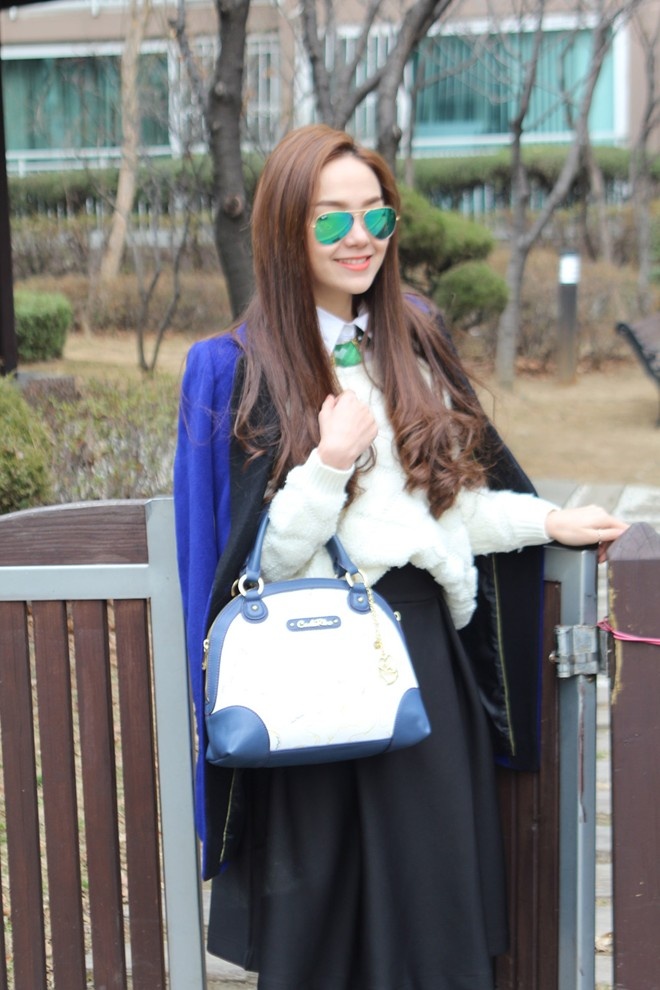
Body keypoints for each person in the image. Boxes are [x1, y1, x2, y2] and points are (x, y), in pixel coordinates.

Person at [173, 124, 627, 990]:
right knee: (324, 927)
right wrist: (329, 463)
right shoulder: (236, 368)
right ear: (284, 230)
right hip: (307, 668)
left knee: (433, 915)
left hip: (420, 659)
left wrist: (547, 521)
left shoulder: (411, 337)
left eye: (375, 216)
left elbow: (446, 509)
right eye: (331, 218)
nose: (361, 238)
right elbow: (253, 567)